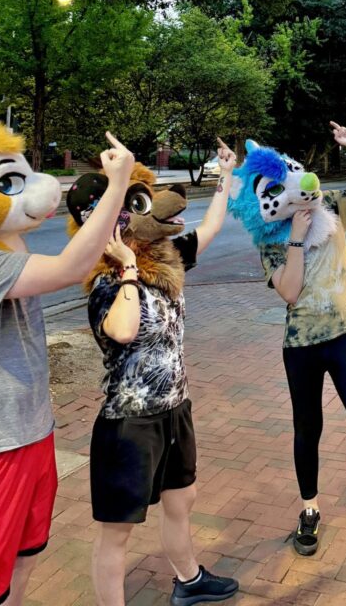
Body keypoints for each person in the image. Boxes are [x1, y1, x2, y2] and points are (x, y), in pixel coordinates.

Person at [0, 126, 135, 606]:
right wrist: (117, 185)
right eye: (7, 183)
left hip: (31, 433)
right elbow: (71, 267)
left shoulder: (3, 245)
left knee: (25, 557)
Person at [231, 123, 346, 586]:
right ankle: (309, 509)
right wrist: (295, 236)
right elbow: (289, 292)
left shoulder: (329, 205)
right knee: (307, 431)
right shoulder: (269, 239)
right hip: (301, 345)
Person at [81, 140, 239, 606]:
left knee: (182, 500)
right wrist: (129, 268)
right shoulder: (105, 284)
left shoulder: (167, 259)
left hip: (174, 409)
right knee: (118, 530)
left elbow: (211, 226)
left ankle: (189, 580)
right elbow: (123, 331)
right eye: (138, 206)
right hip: (130, 425)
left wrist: (226, 174)